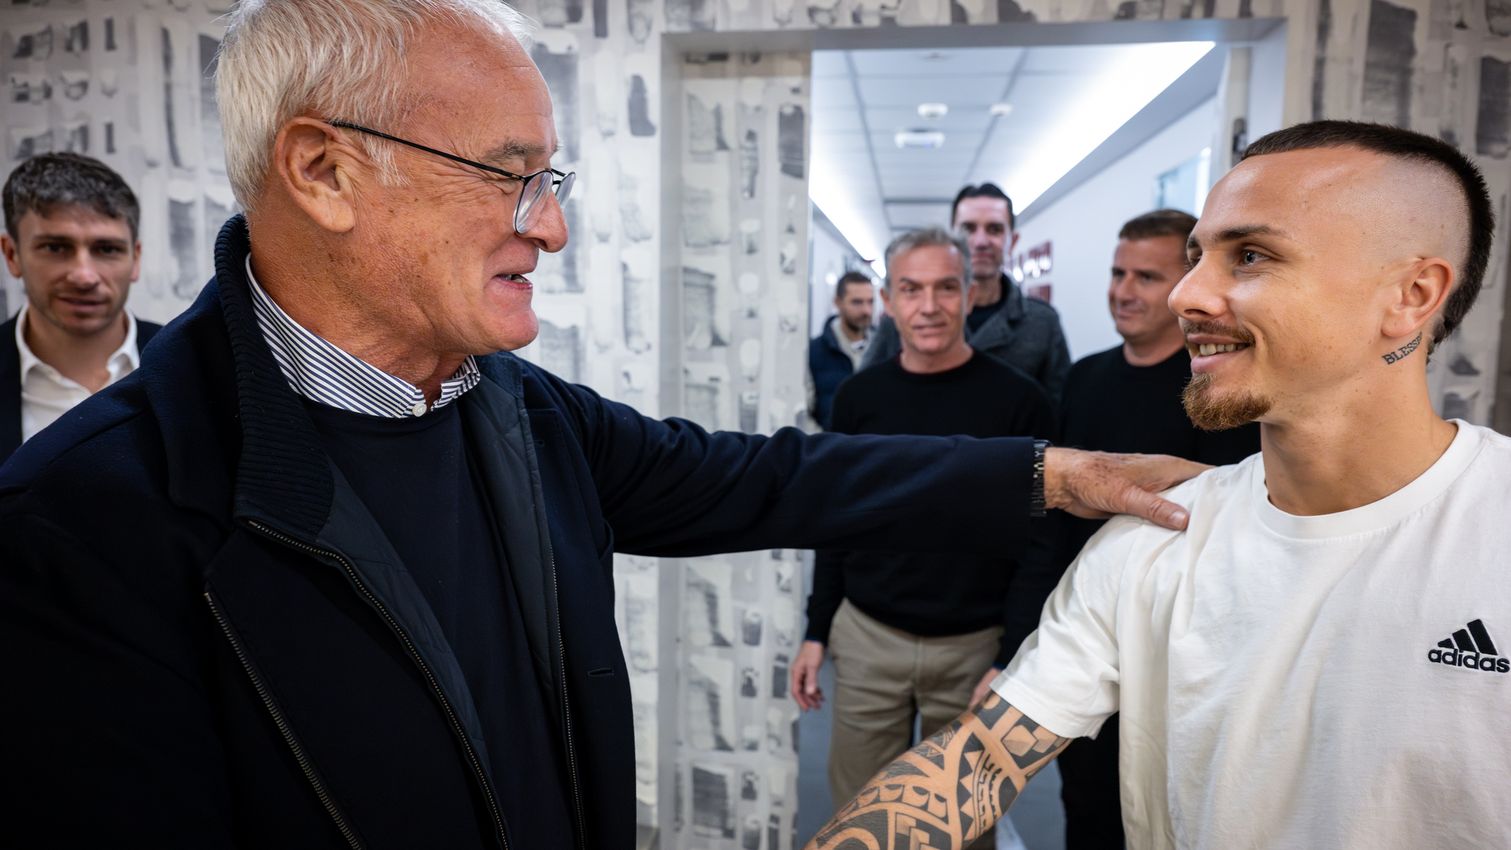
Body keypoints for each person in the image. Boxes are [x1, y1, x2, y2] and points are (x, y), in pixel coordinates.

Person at [0, 2, 1206, 847]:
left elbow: (768, 478)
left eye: (553, 181)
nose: (552, 227)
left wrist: (1051, 472)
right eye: (509, 174)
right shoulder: (82, 521)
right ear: (322, 172)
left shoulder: (520, 416)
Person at [808, 120, 1506, 850]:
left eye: (1251, 256)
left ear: (1410, 295)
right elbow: (975, 765)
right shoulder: (1151, 542)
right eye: (1197, 258)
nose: (1184, 294)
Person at [791, 228, 1057, 845]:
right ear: (888, 301)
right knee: (859, 820)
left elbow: (1041, 540)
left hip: (973, 649)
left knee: (962, 827)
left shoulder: (1021, 403)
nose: (928, 306)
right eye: (911, 290)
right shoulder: (859, 399)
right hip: (869, 639)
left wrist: (1011, 653)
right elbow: (835, 519)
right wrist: (816, 629)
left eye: (945, 288)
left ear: (970, 293)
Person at [1053, 209, 1260, 849]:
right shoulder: (1083, 378)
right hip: (1090, 637)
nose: (1124, 290)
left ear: (1186, 286)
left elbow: (1242, 519)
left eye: (1146, 276)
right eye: (1118, 273)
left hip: (1182, 649)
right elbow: (1052, 527)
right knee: (1086, 806)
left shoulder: (1222, 388)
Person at [0, 152, 161, 464]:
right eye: (55, 247)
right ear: (12, 255)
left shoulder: (196, 364)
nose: (84, 276)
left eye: (107, 249)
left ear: (135, 258)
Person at [860, 183, 1071, 402]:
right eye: (968, 229)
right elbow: (866, 393)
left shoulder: (1042, 322)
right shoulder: (904, 319)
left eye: (994, 229)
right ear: (952, 236)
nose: (981, 242)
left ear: (1012, 240)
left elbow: (1058, 409)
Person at [808, 270, 874, 430]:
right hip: (832, 443)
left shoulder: (885, 350)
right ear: (838, 302)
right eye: (857, 302)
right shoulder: (814, 352)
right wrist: (824, 441)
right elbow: (805, 412)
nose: (866, 310)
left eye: (870, 302)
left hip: (876, 444)